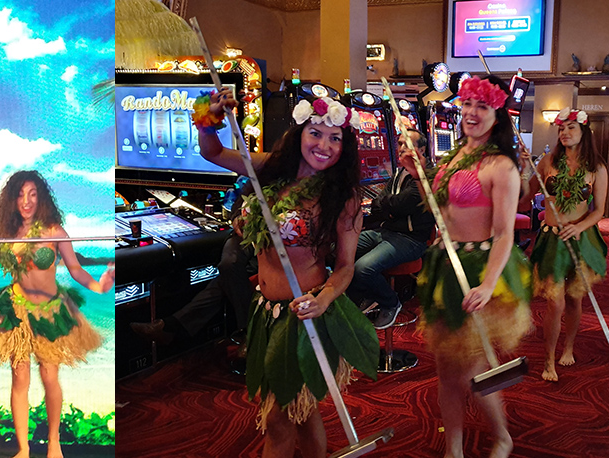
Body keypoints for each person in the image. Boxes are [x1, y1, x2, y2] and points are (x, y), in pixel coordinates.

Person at [193, 88, 377, 458]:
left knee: (278, 420)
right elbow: (211, 151)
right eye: (316, 133)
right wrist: (208, 115)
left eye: (335, 138)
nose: (324, 145)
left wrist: (322, 301)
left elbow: (343, 268)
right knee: (303, 415)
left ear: (345, 146)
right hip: (266, 313)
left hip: (304, 315)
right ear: (300, 134)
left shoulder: (342, 197)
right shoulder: (271, 169)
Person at [0, 170, 112, 458]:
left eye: (32, 194)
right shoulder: (5, 236)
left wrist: (99, 285)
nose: (26, 200)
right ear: (12, 200)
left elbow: (76, 269)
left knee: (49, 376)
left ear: (41, 197)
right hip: (16, 310)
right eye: (20, 194)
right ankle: (23, 449)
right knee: (20, 378)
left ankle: (54, 443)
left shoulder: (55, 231)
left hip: (50, 312)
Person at [415, 75, 533, 458]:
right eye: (467, 104)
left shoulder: (502, 167)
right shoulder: (453, 158)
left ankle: (502, 436)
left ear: (497, 115)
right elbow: (438, 210)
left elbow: (503, 235)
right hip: (445, 268)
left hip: (480, 270)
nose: (471, 113)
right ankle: (454, 449)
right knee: (446, 369)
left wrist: (487, 285)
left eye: (482, 106)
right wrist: (417, 170)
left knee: (473, 367)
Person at [520, 107, 608, 382]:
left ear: (583, 132)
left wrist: (579, 226)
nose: (565, 133)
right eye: (561, 128)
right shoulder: (547, 162)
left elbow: (599, 211)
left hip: (581, 238)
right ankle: (548, 360)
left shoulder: (597, 168)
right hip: (551, 238)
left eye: (571, 127)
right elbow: (525, 198)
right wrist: (525, 169)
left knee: (573, 298)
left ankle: (568, 347)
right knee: (554, 302)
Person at [347, 128, 435, 329]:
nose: (402, 148)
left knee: (363, 268)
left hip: (410, 239)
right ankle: (368, 295)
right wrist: (389, 208)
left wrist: (388, 208)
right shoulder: (399, 170)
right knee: (341, 249)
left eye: (408, 144)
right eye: (400, 143)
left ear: (422, 149)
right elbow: (384, 201)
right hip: (387, 231)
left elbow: (402, 204)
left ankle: (391, 302)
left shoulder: (426, 175)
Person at [129, 226, 256, 345]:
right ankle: (171, 326)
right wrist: (236, 218)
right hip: (244, 236)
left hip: (267, 244)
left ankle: (248, 334)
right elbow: (236, 207)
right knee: (228, 269)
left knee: (227, 278)